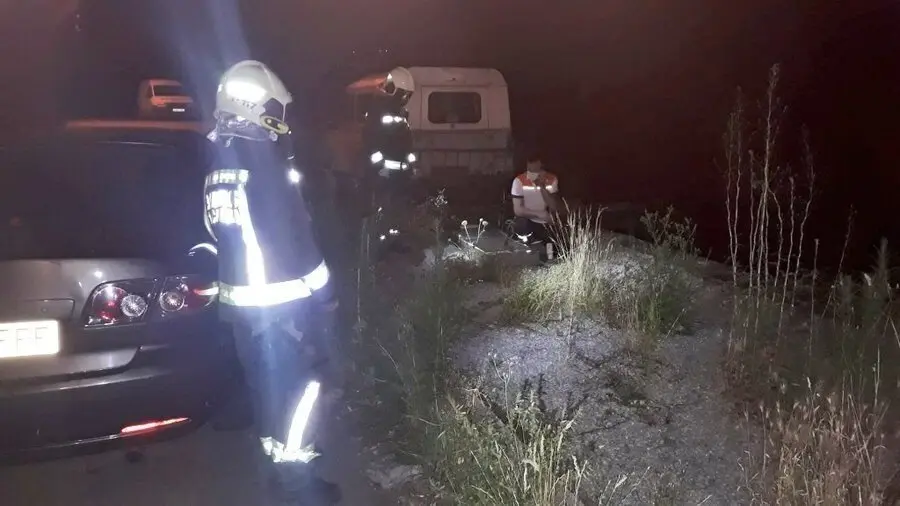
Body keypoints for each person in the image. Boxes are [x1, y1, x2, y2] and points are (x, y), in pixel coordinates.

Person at [195, 60, 340, 504]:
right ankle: (299, 487)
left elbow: (213, 239)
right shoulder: (265, 168)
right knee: (304, 393)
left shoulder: (219, 168)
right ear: (254, 106)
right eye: (275, 108)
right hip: (281, 312)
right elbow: (297, 242)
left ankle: (280, 474)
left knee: (268, 395)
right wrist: (326, 296)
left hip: (245, 314)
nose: (282, 118)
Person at [510, 152, 561, 262]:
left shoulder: (551, 179)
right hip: (528, 219)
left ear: (541, 166)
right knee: (521, 224)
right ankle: (527, 249)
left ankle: (549, 258)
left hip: (545, 220)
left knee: (552, 240)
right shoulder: (519, 181)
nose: (532, 172)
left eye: (535, 168)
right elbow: (518, 210)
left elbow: (553, 206)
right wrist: (538, 214)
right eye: (530, 168)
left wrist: (542, 187)